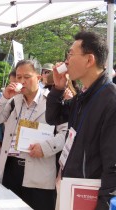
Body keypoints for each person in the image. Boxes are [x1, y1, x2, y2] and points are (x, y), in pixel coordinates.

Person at [45, 31, 116, 210]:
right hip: (71, 187)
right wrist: (58, 89)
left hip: (89, 196)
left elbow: (113, 165)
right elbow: (53, 117)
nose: (66, 60)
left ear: (89, 60)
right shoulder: (83, 95)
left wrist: (104, 205)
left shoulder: (111, 100)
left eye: (71, 54)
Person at [0, 60, 67, 210]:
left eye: (27, 77)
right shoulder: (13, 101)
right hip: (11, 168)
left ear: (38, 77)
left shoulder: (52, 101)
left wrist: (46, 148)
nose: (22, 81)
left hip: (39, 172)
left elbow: (66, 133)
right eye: (18, 77)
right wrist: (4, 96)